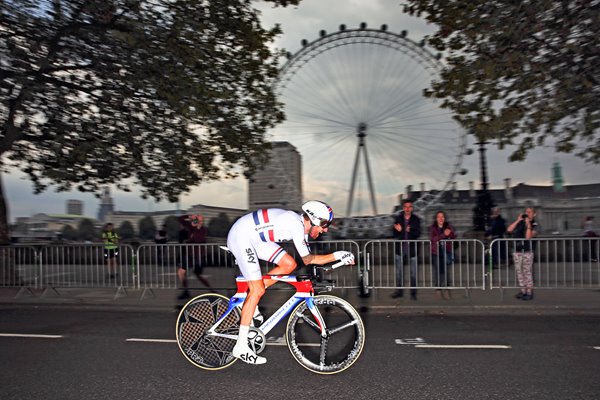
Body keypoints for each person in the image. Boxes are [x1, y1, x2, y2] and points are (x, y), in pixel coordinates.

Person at [227, 200, 355, 365]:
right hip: (241, 237)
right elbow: (309, 260)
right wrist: (338, 255)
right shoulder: (296, 226)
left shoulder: (300, 229)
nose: (325, 229)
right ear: (315, 220)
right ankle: (241, 346)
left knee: (289, 265)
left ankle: (251, 296)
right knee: (257, 290)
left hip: (256, 239)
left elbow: (305, 259)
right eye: (324, 225)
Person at [506, 207, 539, 301]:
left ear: (534, 214)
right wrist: (518, 220)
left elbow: (528, 236)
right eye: (526, 212)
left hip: (528, 251)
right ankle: (523, 291)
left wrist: (528, 224)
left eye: (529, 212)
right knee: (519, 273)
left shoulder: (535, 224)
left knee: (527, 272)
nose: (527, 213)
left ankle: (529, 292)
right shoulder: (520, 223)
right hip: (517, 251)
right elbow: (509, 230)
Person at [391, 200, 421, 300]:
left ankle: (413, 293)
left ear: (412, 208)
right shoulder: (398, 219)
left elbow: (418, 233)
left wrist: (409, 230)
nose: (407, 209)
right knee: (399, 272)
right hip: (400, 249)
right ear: (403, 208)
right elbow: (394, 234)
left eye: (409, 207)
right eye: (406, 207)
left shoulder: (416, 219)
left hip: (412, 249)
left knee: (413, 273)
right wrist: (398, 230)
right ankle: (399, 291)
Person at [177, 214, 211, 299]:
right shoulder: (191, 227)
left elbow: (198, 239)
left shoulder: (203, 230)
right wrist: (189, 216)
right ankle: (186, 291)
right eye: (196, 220)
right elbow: (180, 219)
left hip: (199, 256)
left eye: (199, 221)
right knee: (181, 272)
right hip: (190, 254)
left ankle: (211, 290)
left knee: (198, 274)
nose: (196, 222)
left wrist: (196, 228)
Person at [429, 211, 456, 300]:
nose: (441, 219)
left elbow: (453, 237)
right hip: (436, 253)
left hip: (446, 252)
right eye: (439, 217)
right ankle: (438, 290)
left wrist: (450, 234)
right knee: (437, 272)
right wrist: (444, 234)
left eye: (442, 217)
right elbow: (433, 239)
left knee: (446, 272)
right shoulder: (433, 228)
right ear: (436, 219)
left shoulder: (448, 226)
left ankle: (447, 290)